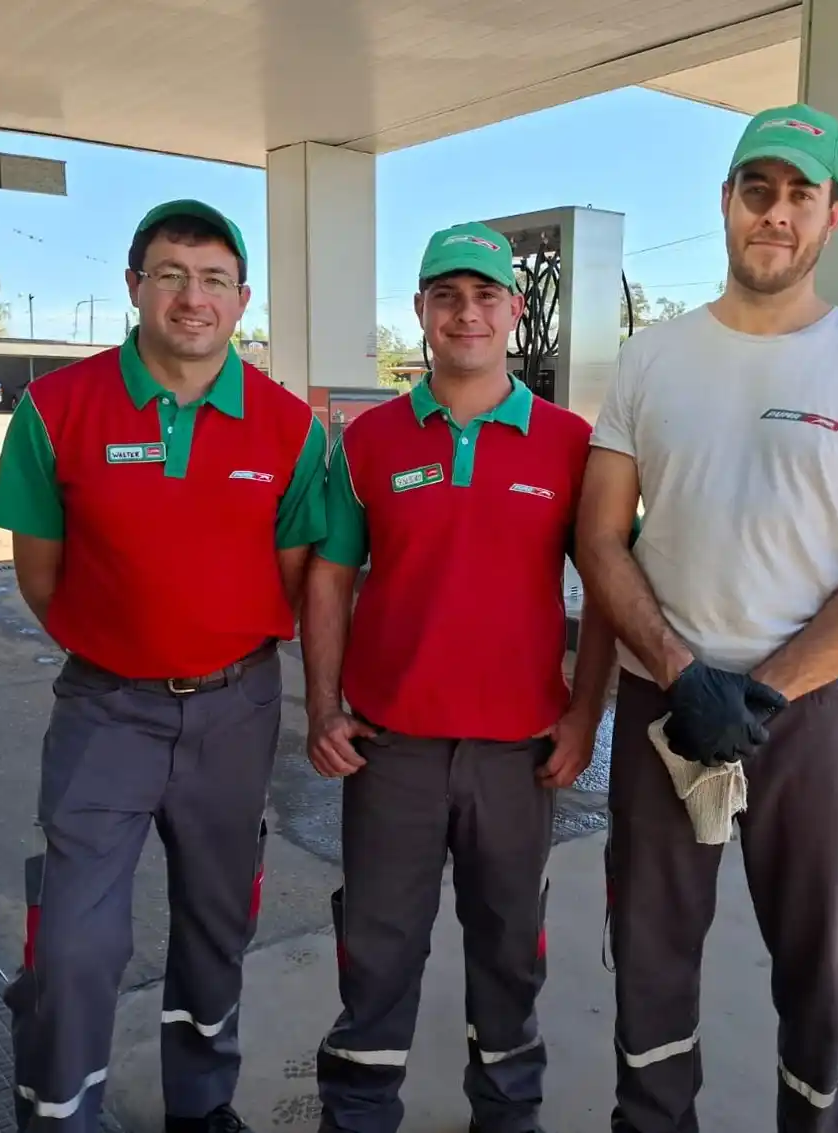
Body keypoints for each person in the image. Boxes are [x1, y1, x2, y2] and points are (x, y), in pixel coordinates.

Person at [574, 104, 838, 1133]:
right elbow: (598, 537)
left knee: (821, 968)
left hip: (809, 717)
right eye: (757, 189)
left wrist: (767, 688)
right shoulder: (652, 359)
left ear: (834, 213)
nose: (775, 213)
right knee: (649, 956)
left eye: (799, 194)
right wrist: (679, 668)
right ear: (728, 202)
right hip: (664, 709)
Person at [0, 199, 329, 1133]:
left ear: (242, 299)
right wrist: (124, 644)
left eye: (214, 279)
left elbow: (293, 577)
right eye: (171, 274)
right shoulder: (58, 408)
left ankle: (202, 1104)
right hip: (105, 711)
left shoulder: (289, 429)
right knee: (73, 942)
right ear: (134, 286)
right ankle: (60, 1113)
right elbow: (40, 575)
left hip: (237, 709)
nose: (192, 297)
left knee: (218, 924)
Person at [302, 221, 619, 1133]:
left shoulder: (571, 443)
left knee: (511, 953)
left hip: (520, 755)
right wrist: (321, 707)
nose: (466, 313)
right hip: (389, 750)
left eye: (485, 295)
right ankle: (357, 1115)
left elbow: (609, 585)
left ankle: (507, 1117)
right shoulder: (367, 442)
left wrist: (584, 716)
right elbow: (329, 578)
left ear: (516, 311)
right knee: (376, 951)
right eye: (447, 296)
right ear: (420, 310)